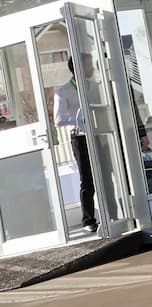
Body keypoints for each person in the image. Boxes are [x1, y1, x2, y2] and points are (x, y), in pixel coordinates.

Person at [52, 58, 98, 234]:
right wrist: (80, 119)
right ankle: (88, 220)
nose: (91, 68)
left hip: (98, 134)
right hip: (80, 137)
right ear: (77, 68)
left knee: (105, 174)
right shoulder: (63, 92)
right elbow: (58, 120)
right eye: (88, 65)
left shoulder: (94, 86)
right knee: (87, 178)